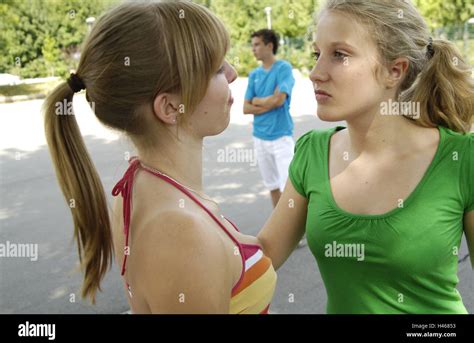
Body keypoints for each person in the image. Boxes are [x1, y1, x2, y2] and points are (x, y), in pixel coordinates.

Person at [43, 1, 276, 314]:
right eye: (217, 68)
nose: (233, 74)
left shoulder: (136, 185)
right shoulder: (183, 236)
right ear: (169, 108)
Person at [257, 0, 473, 313]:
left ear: (394, 71)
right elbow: (264, 254)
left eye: (339, 55)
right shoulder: (312, 153)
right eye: (317, 54)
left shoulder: (462, 159)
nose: (316, 73)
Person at [243, 29, 296, 209]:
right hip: (259, 138)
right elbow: (245, 107)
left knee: (290, 189)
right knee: (272, 186)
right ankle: (279, 230)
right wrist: (269, 102)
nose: (253, 49)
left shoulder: (283, 68)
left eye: (257, 44)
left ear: (269, 46)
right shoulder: (254, 75)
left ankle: (296, 233)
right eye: (252, 45)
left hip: (281, 137)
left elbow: (280, 99)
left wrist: (258, 100)